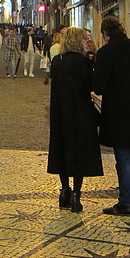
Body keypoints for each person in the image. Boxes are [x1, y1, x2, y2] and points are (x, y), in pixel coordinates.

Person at [93, 16, 130, 216]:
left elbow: (98, 86)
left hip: (118, 111)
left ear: (105, 33)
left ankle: (125, 202)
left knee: (123, 158)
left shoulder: (106, 53)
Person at [47, 27, 103, 213]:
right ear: (78, 40)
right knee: (79, 152)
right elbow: (93, 85)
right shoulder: (83, 61)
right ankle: (76, 196)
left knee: (62, 149)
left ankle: (64, 191)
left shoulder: (57, 60)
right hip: (81, 113)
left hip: (60, 113)